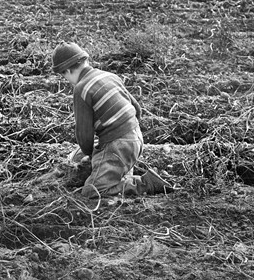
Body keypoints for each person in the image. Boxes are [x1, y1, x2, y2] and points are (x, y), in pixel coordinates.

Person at [52, 41, 172, 198]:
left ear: (67, 71)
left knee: (92, 190)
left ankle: (145, 184)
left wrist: (90, 155)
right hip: (136, 137)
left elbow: (84, 135)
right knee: (106, 157)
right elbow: (137, 109)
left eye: (64, 75)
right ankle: (123, 172)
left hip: (119, 146)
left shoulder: (81, 89)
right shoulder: (110, 76)